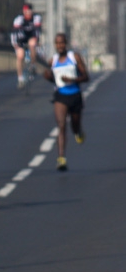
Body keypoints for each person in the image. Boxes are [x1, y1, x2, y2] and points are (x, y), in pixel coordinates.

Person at [38, 32, 89, 171]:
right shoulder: (52, 61)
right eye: (57, 43)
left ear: (66, 43)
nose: (60, 45)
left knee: (74, 125)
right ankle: (61, 158)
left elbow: (86, 77)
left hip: (75, 95)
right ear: (55, 45)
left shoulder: (74, 57)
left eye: (62, 43)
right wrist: (48, 77)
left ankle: (78, 132)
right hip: (60, 96)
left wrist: (73, 80)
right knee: (61, 126)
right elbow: (53, 79)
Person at [11, 2, 42, 89]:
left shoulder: (37, 18)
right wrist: (15, 44)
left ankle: (33, 65)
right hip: (21, 38)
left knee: (32, 44)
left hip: (31, 37)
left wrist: (37, 41)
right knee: (20, 56)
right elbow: (14, 33)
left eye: (29, 11)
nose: (28, 13)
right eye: (26, 11)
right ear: (23, 12)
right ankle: (20, 78)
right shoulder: (18, 19)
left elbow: (38, 32)